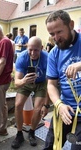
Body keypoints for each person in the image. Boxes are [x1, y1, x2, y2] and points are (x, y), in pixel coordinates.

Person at [44, 10, 81, 150]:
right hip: (65, 109)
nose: (56, 38)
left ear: (71, 25)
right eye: (52, 34)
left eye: (59, 32)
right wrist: (58, 104)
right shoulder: (54, 53)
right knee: (50, 146)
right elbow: (51, 84)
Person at [11, 36, 49, 149]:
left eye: (36, 50)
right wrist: (24, 80)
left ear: (41, 48)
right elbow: (16, 83)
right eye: (30, 49)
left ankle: (32, 132)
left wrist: (46, 105)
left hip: (41, 83)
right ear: (27, 47)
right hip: (26, 82)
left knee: (37, 109)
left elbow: (50, 83)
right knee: (18, 105)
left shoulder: (47, 58)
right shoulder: (22, 57)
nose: (32, 53)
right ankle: (19, 134)